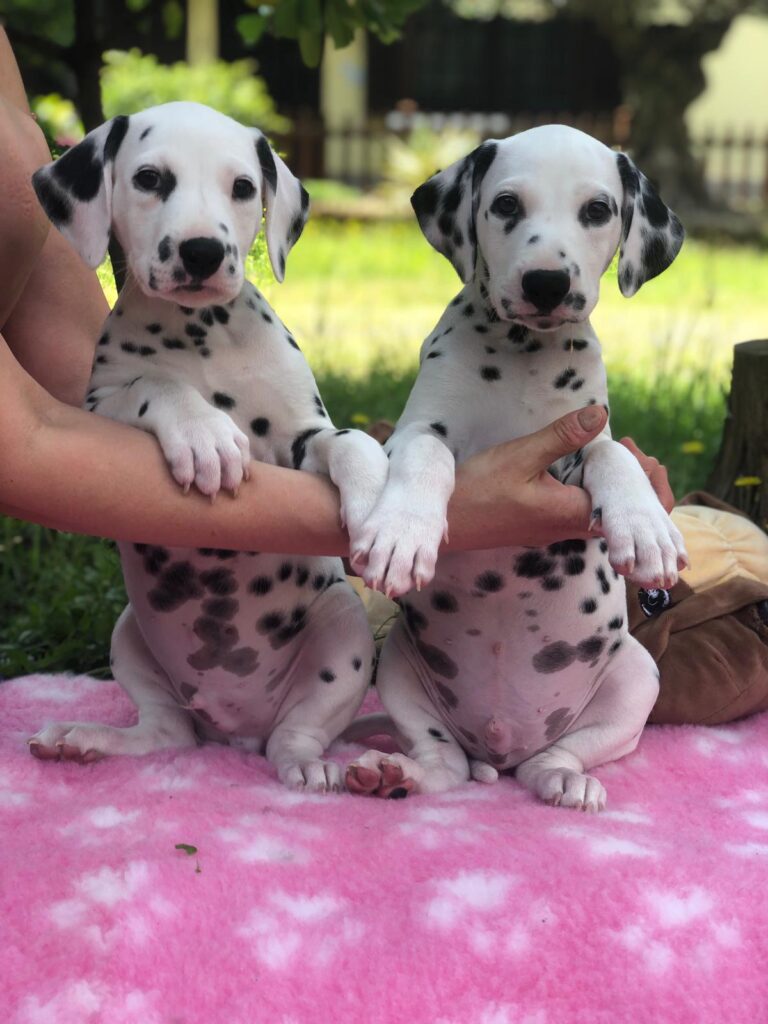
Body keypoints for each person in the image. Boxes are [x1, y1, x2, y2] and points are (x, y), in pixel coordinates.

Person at [0, 27, 670, 562]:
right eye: (151, 180)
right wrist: (433, 510)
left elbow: (66, 399)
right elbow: (34, 441)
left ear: (271, 208)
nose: (198, 233)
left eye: (240, 190)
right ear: (96, 194)